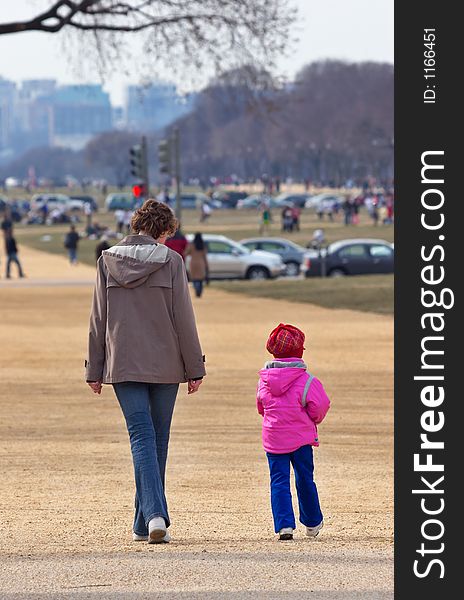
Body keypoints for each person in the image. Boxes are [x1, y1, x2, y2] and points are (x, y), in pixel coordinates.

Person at [85, 199, 206, 544]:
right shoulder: (171, 261)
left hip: (122, 361)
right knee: (157, 438)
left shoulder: (106, 260)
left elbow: (98, 319)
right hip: (167, 362)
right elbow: (183, 318)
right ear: (164, 230)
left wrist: (94, 368)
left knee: (142, 436)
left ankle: (143, 522)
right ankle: (156, 515)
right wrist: (194, 366)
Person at [257, 323, 330, 541]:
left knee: (278, 481)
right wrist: (311, 419)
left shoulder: (264, 380)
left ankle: (284, 525)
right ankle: (312, 522)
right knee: (305, 479)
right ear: (300, 351)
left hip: (274, 438)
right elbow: (321, 406)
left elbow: (261, 407)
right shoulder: (307, 380)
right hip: (301, 439)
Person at [185, 232, 209, 298]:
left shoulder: (191, 245)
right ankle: (199, 291)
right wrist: (207, 266)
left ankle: (196, 290)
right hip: (201, 263)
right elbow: (205, 256)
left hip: (193, 263)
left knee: (194, 278)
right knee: (200, 278)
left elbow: (185, 253)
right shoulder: (203, 245)